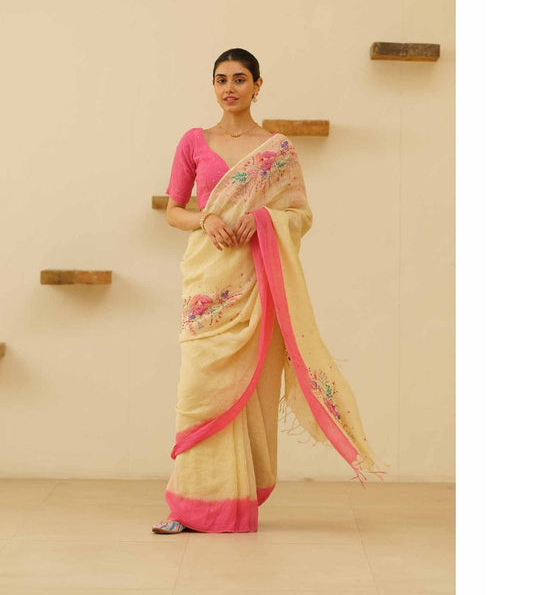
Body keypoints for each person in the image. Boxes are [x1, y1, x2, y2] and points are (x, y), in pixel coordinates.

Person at [152, 48, 388, 535]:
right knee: (198, 391)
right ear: (213, 86)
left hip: (257, 286)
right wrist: (207, 218)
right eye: (221, 79)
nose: (230, 88)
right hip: (208, 283)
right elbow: (174, 210)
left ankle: (232, 503)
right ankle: (188, 507)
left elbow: (301, 215)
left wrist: (262, 220)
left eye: (240, 79)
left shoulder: (277, 151)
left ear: (258, 86)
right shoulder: (194, 141)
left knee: (249, 392)